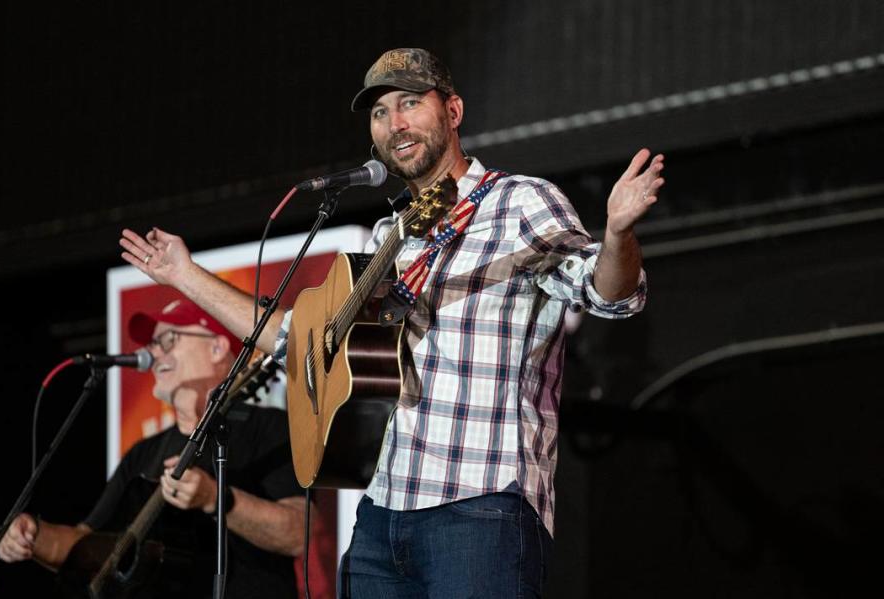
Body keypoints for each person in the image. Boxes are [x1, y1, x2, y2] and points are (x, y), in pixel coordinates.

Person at [119, 47, 663, 598]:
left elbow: (608, 295)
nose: (394, 123)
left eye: (409, 103)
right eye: (380, 113)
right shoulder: (387, 236)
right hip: (382, 513)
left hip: (480, 504)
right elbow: (293, 341)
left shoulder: (521, 201)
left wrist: (618, 235)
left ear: (452, 111)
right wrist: (184, 275)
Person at [0, 299, 308, 599]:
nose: (153, 352)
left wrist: (216, 498)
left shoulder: (270, 428)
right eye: (152, 344)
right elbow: (87, 544)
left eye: (168, 339)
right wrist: (34, 536)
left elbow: (298, 534)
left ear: (216, 348)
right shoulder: (143, 453)